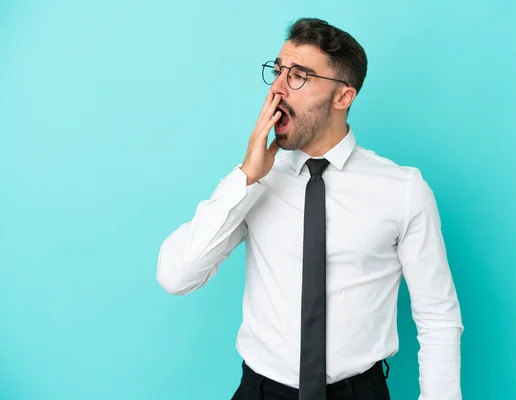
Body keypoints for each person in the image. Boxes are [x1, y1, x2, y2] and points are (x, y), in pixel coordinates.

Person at [156, 17, 464, 400]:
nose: (277, 90)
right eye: (278, 71)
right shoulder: (256, 180)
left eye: (299, 76)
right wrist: (245, 178)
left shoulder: (403, 190)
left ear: (342, 97)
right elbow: (176, 276)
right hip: (261, 392)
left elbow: (438, 318)